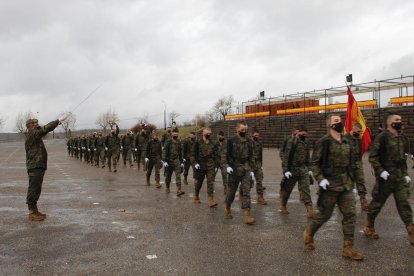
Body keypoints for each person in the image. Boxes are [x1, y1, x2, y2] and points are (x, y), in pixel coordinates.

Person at [304, 114, 363, 261]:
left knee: (350, 215)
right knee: (325, 215)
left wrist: (353, 183)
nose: (339, 123)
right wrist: (320, 179)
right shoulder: (324, 142)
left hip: (346, 185)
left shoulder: (347, 141)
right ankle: (309, 233)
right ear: (330, 125)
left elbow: (353, 164)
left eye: (340, 120)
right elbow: (314, 164)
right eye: (335, 121)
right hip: (329, 186)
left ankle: (348, 248)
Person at [364, 112, 413, 245]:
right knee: (377, 204)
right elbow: (373, 157)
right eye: (397, 120)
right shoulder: (382, 137)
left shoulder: (402, 138)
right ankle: (369, 226)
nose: (400, 121)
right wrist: (380, 171)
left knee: (404, 204)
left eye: (400, 119)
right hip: (385, 179)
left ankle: (411, 231)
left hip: (399, 178)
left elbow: (403, 158)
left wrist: (406, 173)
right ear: (390, 122)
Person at [25, 113, 70, 221]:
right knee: (33, 188)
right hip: (35, 166)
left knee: (36, 188)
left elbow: (42, 130)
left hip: (38, 165)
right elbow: (46, 129)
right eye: (35, 124)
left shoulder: (35, 133)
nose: (37, 125)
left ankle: (35, 211)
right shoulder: (32, 134)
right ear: (30, 126)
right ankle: (32, 212)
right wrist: (58, 120)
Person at [223, 122, 256, 225]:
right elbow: (225, 155)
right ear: (237, 129)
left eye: (245, 129)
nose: (244, 131)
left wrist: (252, 170)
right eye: (242, 129)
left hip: (245, 168)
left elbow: (251, 156)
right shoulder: (231, 141)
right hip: (234, 169)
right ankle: (227, 207)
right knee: (231, 192)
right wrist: (227, 166)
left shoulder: (249, 141)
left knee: (246, 192)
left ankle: (247, 215)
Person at [280, 125, 314, 217]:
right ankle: (283, 205)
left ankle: (309, 209)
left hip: (303, 169)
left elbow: (307, 156)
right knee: (288, 190)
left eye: (305, 135)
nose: (304, 136)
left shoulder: (306, 142)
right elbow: (286, 157)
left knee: (306, 189)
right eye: (303, 134)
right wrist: (285, 170)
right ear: (298, 132)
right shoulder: (292, 141)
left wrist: (309, 169)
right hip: (292, 170)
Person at [345, 123, 369, 211]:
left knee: (361, 182)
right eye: (358, 131)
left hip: (358, 164)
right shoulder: (345, 138)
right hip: (348, 165)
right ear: (353, 128)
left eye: (360, 132)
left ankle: (363, 201)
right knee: (348, 184)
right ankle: (347, 203)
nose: (359, 133)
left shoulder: (358, 138)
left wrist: (360, 163)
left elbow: (359, 152)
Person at [192, 128, 218, 207]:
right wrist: (195, 163)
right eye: (207, 133)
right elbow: (192, 154)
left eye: (210, 133)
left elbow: (216, 155)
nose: (209, 135)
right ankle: (196, 196)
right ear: (203, 133)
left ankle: (210, 199)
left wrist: (216, 165)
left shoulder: (212, 143)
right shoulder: (197, 143)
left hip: (210, 166)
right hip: (200, 166)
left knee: (210, 182)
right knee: (199, 182)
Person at [162, 128, 185, 196]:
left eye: (176, 133)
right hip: (169, 161)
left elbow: (180, 152)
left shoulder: (179, 141)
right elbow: (164, 151)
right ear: (172, 134)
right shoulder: (168, 141)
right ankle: (167, 187)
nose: (175, 134)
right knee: (168, 176)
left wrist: (181, 161)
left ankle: (178, 189)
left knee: (178, 175)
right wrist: (164, 161)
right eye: (174, 133)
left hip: (176, 160)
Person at [250, 129, 267, 205]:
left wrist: (261, 164)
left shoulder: (260, 143)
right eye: (255, 135)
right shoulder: (248, 143)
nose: (257, 137)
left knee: (259, 180)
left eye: (258, 135)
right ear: (252, 135)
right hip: (250, 164)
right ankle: (241, 191)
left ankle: (260, 197)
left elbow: (261, 155)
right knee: (249, 181)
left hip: (257, 164)